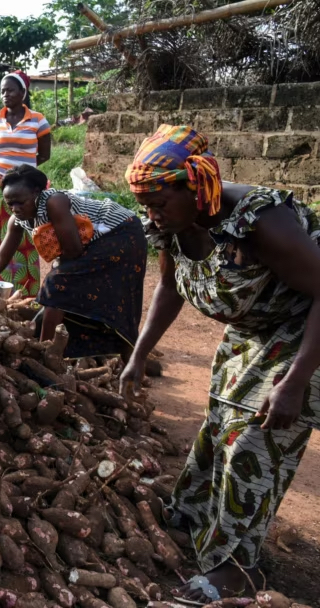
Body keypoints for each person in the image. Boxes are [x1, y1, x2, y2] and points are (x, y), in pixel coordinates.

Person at [118, 125, 320, 603]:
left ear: (196, 184)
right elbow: (169, 287)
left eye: (160, 203)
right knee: (218, 425)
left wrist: (295, 382)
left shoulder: (261, 222)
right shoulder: (172, 223)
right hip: (253, 329)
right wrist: (139, 355)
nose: (152, 214)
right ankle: (194, 518)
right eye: (145, 205)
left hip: (306, 328)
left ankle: (236, 566)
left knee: (254, 437)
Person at [0, 165, 145, 356]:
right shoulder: (17, 220)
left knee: (58, 282)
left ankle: (46, 350)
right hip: (91, 242)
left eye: (21, 202)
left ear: (37, 192)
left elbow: (73, 250)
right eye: (10, 203)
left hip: (120, 232)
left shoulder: (55, 202)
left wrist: (56, 273)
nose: (15, 209)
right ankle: (93, 349)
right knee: (63, 283)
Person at [0, 70, 51, 297]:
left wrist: (22, 173)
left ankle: (25, 293)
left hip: (27, 187)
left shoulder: (38, 120)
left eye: (10, 90)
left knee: (28, 235)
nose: (5, 94)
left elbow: (44, 155)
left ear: (23, 92)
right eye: (2, 91)